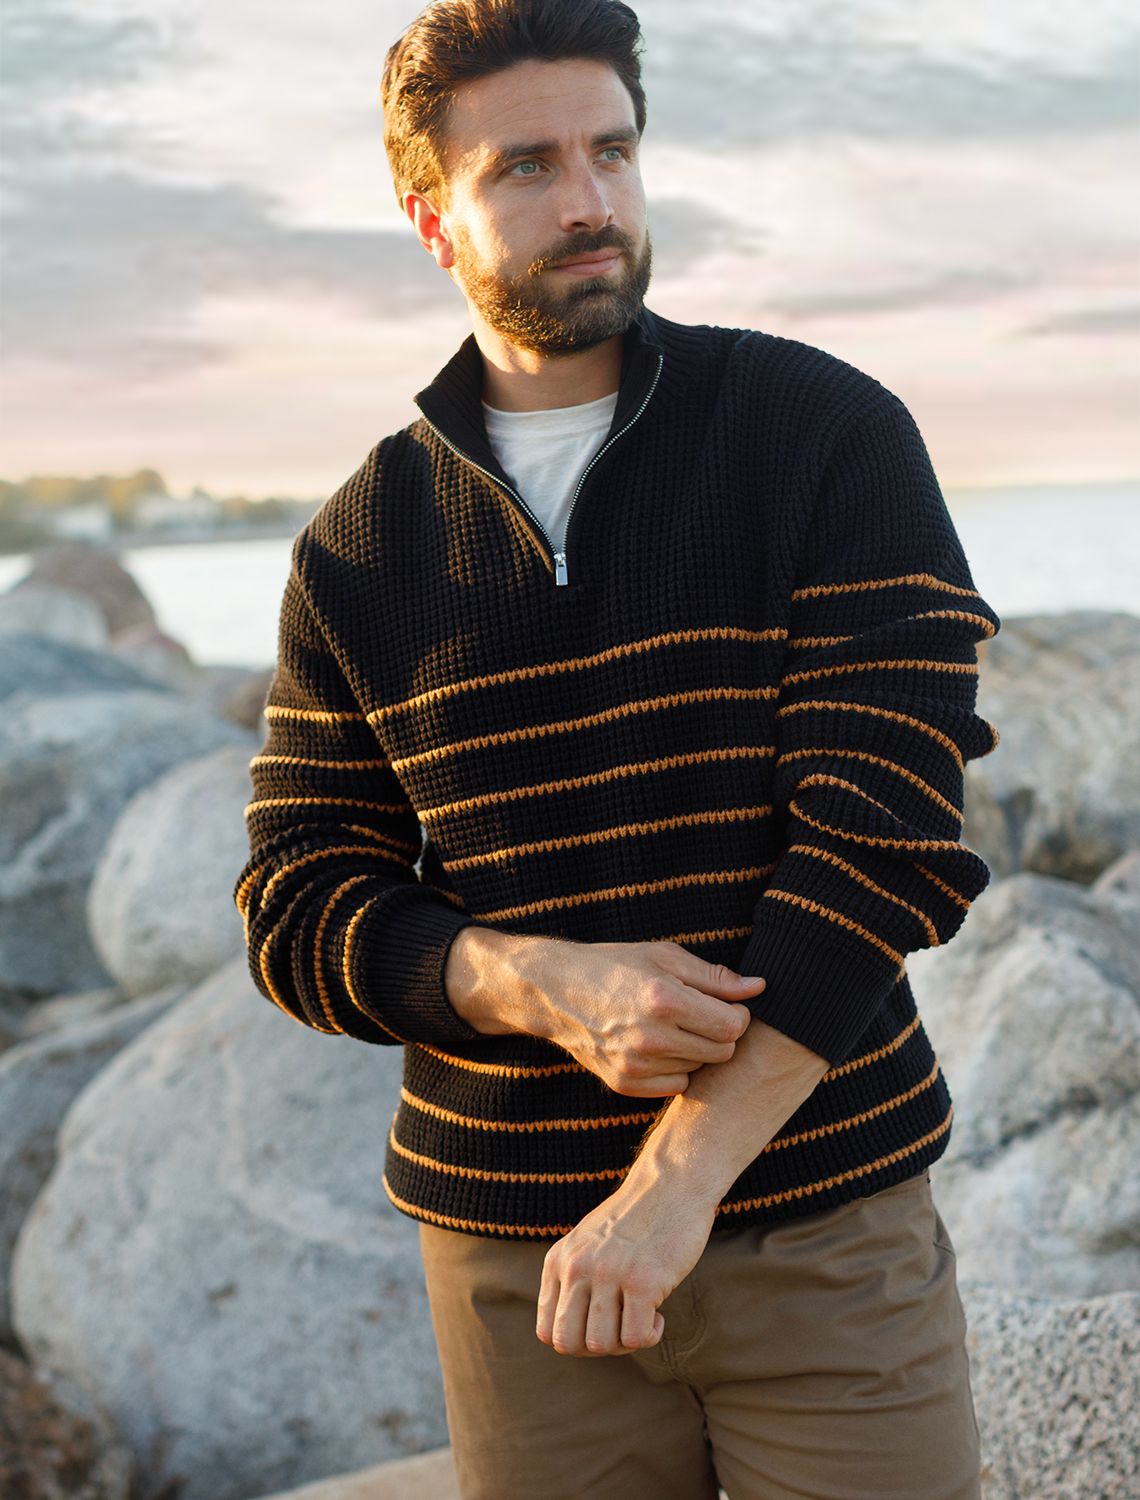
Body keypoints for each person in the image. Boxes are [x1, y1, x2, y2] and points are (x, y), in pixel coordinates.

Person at [233, 2, 1000, 1495]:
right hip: (516, 1272)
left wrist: (673, 1186)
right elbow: (296, 904)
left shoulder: (820, 434)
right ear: (431, 218)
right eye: (525, 166)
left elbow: (888, 837)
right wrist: (531, 981)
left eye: (612, 150)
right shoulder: (358, 550)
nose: (589, 201)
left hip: (821, 1226)